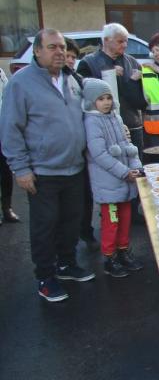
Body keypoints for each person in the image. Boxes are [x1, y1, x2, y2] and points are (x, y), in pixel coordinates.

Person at [0, 29, 95, 302]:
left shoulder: (71, 80)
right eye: (52, 47)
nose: (60, 52)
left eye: (62, 47)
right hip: (42, 171)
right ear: (37, 51)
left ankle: (66, 265)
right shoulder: (21, 84)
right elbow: (10, 129)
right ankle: (45, 277)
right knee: (44, 227)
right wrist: (20, 168)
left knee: (71, 221)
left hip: (74, 167)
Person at [81, 79, 143, 277]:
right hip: (110, 184)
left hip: (124, 183)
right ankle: (110, 257)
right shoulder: (91, 121)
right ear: (92, 102)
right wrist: (124, 172)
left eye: (108, 98)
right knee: (111, 221)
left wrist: (136, 168)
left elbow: (128, 147)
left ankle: (123, 251)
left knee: (126, 219)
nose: (106, 102)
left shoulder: (115, 118)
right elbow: (99, 155)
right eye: (101, 99)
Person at [76, 23, 146, 156]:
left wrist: (132, 82)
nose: (125, 45)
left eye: (126, 41)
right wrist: (108, 75)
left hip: (132, 125)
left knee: (137, 168)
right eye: (120, 41)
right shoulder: (88, 63)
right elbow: (88, 97)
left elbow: (140, 100)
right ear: (107, 40)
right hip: (104, 128)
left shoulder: (132, 62)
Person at [64, 36, 100, 249]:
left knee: (85, 197)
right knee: (61, 209)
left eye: (72, 57)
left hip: (83, 151)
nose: (69, 60)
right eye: (66, 56)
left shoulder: (77, 80)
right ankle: (63, 254)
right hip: (55, 159)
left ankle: (86, 232)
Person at [0, 66, 21, 225]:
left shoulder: (0, 73)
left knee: (5, 171)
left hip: (3, 129)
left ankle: (6, 207)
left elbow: (7, 97)